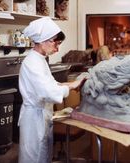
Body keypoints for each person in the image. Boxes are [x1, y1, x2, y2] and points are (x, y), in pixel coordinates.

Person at [18, 17, 85, 163]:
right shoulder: (32, 63)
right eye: (56, 43)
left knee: (44, 155)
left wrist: (73, 84)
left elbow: (53, 85)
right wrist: (72, 87)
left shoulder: (40, 60)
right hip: (34, 120)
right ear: (43, 40)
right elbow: (49, 91)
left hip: (42, 115)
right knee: (34, 157)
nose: (57, 48)